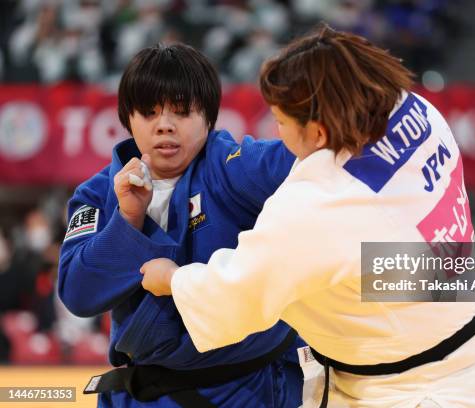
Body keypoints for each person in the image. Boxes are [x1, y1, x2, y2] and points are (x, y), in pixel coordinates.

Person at [141, 26, 475, 407]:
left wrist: (173, 279)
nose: (277, 131)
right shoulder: (416, 111)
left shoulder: (321, 201)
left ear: (319, 131)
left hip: (415, 392)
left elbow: (237, 294)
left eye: (281, 121)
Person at [58, 43, 304, 407]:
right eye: (149, 112)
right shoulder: (98, 194)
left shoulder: (230, 166)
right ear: (127, 119)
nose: (165, 125)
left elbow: (304, 157)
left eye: (182, 111)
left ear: (209, 117)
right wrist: (128, 219)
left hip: (246, 389)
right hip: (147, 394)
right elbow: (77, 294)